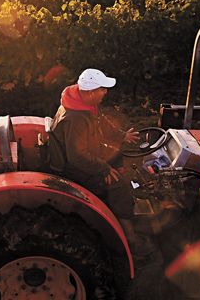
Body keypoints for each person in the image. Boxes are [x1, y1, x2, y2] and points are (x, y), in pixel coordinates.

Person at [48, 68, 154, 256]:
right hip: (74, 168)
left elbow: (101, 121)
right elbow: (76, 157)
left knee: (119, 156)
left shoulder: (81, 104)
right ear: (90, 92)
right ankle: (130, 239)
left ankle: (119, 206)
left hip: (85, 154)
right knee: (119, 185)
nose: (105, 92)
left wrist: (122, 136)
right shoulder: (76, 119)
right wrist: (104, 168)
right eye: (102, 89)